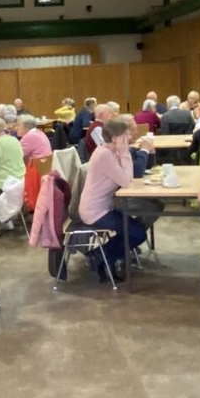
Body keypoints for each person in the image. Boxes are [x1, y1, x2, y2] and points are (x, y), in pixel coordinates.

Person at [78, 117, 148, 280]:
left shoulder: (109, 151)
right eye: (126, 135)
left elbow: (127, 177)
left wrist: (124, 152)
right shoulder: (104, 154)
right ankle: (99, 256)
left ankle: (103, 257)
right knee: (137, 233)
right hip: (95, 211)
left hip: (104, 207)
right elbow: (126, 180)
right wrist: (125, 153)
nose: (130, 138)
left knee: (135, 229)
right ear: (116, 138)